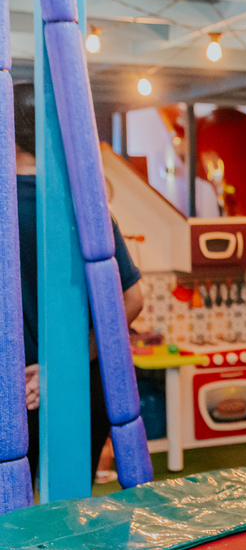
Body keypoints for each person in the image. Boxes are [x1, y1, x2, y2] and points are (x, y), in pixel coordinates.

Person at [14, 82, 144, 485]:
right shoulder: (85, 209)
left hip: (13, 392)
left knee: (10, 515)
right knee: (71, 509)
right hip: (80, 386)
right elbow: (133, 300)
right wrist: (59, 366)